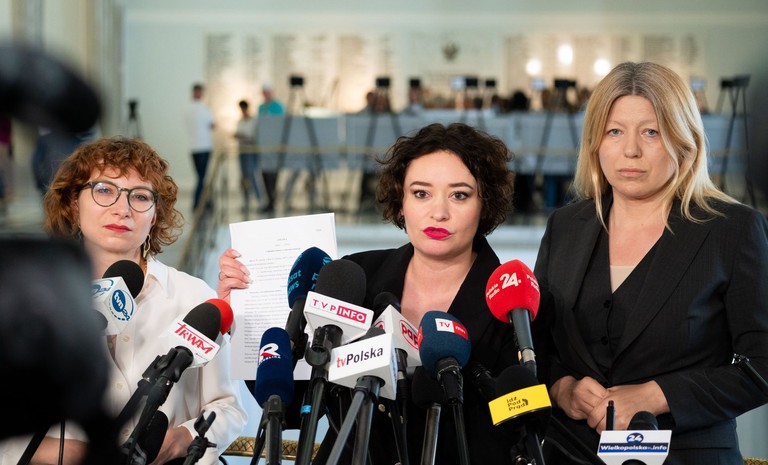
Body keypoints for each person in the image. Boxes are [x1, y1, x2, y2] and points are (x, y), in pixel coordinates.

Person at [218, 122, 519, 464]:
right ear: (401, 202)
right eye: (421, 193)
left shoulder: (512, 304)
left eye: (459, 195)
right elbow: (293, 406)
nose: (439, 212)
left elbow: (516, 429)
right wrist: (241, 316)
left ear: (485, 204)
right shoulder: (354, 277)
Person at [532, 62, 768, 465]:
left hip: (686, 455)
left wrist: (656, 395)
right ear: (595, 142)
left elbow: (762, 366)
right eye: (614, 131)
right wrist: (561, 388)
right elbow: (535, 348)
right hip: (571, 452)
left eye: (651, 132)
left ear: (684, 140)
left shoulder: (733, 229)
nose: (631, 151)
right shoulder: (565, 226)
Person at [0, 137, 248, 465]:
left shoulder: (194, 295)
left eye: (140, 196)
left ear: (155, 215)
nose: (122, 209)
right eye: (104, 190)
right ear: (74, 204)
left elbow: (228, 409)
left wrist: (179, 440)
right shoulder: (32, 298)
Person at [185, 83, 215, 211]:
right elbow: (212, 125)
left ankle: (205, 201)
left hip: (193, 147)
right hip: (204, 146)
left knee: (200, 177)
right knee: (202, 177)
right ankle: (198, 203)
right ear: (199, 93)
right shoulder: (204, 108)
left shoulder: (187, 108)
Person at [234, 99, 265, 217]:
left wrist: (243, 137)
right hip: (242, 151)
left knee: (252, 176)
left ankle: (260, 201)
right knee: (244, 178)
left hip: (251, 152)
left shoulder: (253, 121)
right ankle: (245, 202)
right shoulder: (240, 121)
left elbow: (252, 137)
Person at [257, 83, 284, 213]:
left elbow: (281, 126)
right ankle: (269, 200)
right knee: (265, 175)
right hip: (264, 147)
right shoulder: (261, 107)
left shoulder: (278, 107)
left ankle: (273, 201)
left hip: (275, 146)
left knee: (273, 175)